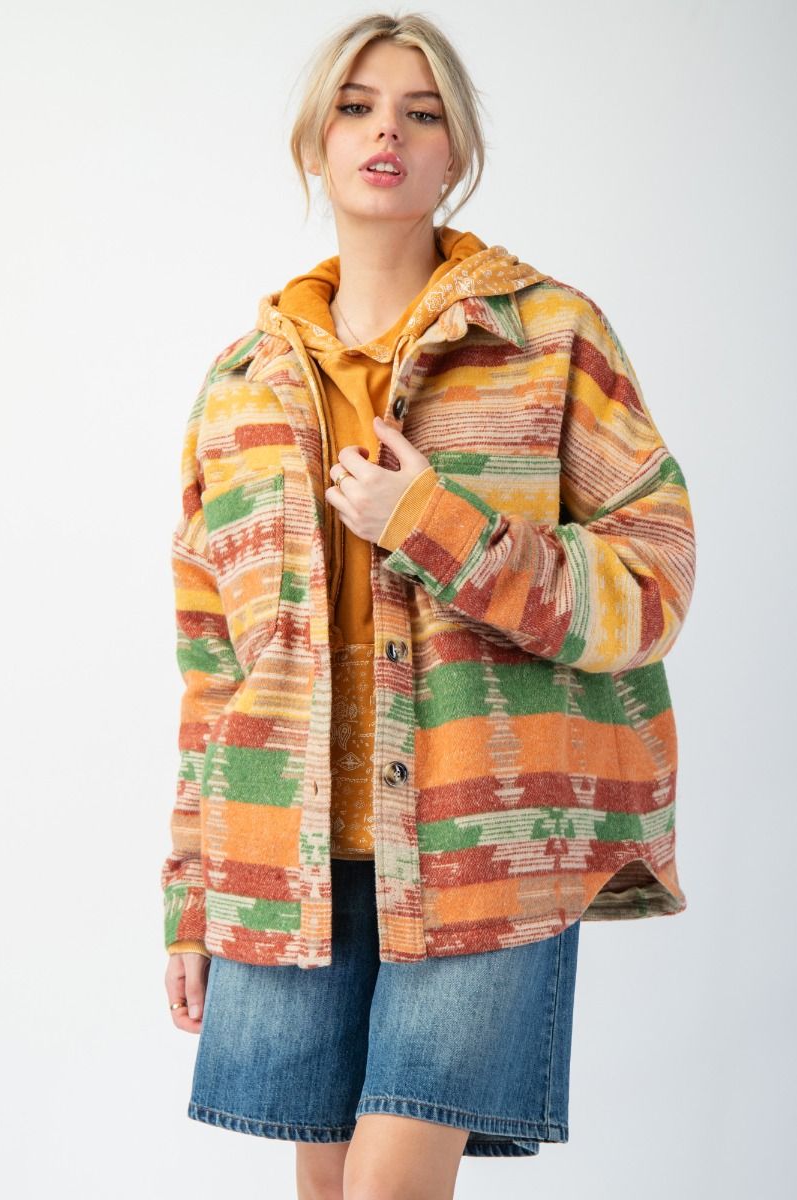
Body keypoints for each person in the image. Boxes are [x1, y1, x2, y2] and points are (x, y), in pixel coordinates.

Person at [161, 11, 697, 1199]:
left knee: (387, 1189)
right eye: (356, 107)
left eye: (421, 112)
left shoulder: (546, 340)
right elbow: (211, 673)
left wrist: (435, 525)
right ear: (315, 141)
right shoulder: (239, 388)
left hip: (483, 842)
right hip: (290, 850)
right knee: (327, 1190)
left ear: (458, 151)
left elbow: (654, 581)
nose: (386, 133)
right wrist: (191, 899)